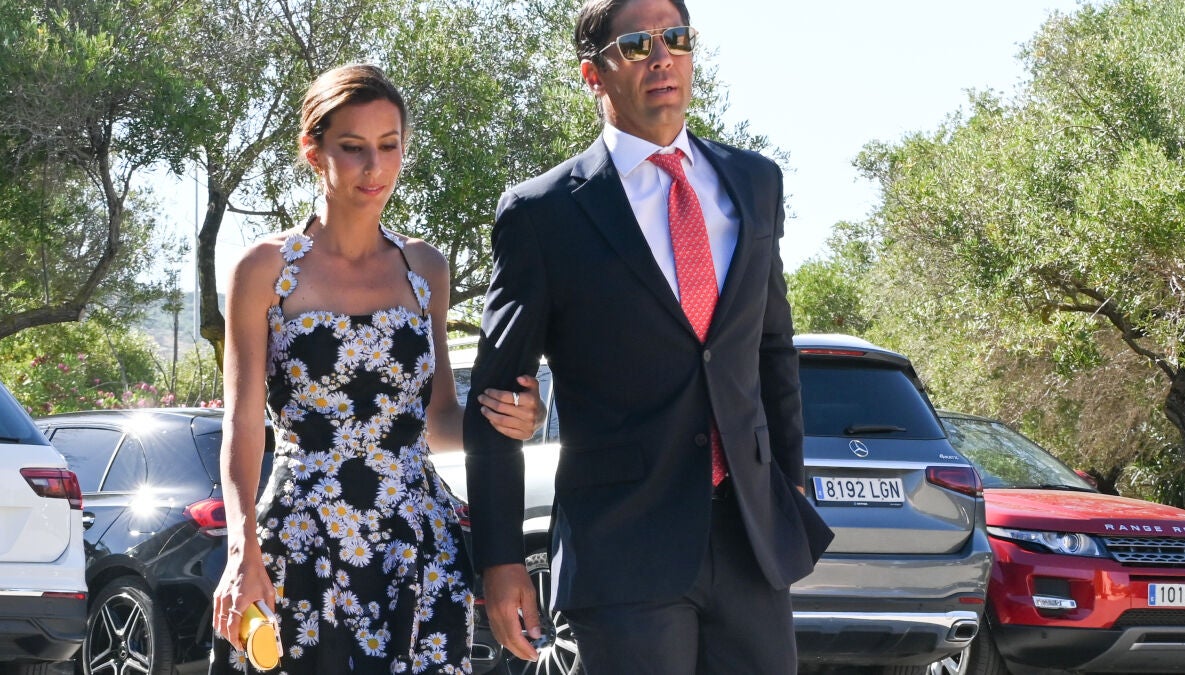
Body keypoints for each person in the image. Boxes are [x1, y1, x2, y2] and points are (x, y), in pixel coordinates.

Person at [463, 0, 835, 673]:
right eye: (637, 44)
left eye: (677, 38)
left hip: (751, 539)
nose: (663, 58)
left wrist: (791, 482)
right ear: (593, 74)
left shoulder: (755, 183)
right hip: (622, 547)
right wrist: (501, 558)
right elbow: (494, 400)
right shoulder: (543, 213)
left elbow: (772, 347)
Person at [209, 63, 544, 674]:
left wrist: (507, 420)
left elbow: (438, 419)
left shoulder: (426, 269)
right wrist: (242, 549)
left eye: (389, 146)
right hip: (302, 541)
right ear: (313, 151)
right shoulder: (262, 269)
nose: (375, 167)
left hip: (415, 544)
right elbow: (242, 425)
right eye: (353, 147)